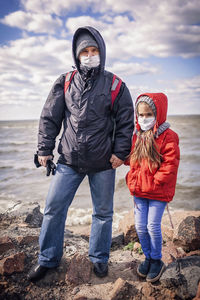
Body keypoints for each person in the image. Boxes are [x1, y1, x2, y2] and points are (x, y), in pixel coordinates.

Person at [27, 26, 134, 281]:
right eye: (84, 51)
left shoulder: (116, 84)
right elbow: (49, 117)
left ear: (102, 52)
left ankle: (99, 259)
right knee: (53, 208)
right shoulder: (64, 82)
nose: (89, 55)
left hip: (103, 162)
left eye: (93, 50)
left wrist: (120, 153)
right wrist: (44, 149)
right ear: (77, 55)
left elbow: (126, 122)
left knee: (103, 213)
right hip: (69, 161)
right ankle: (48, 260)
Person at [125, 93, 180, 283]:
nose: (144, 118)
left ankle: (157, 260)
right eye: (141, 115)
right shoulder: (137, 136)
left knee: (152, 226)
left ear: (158, 114)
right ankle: (148, 257)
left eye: (149, 114)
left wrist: (156, 180)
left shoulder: (169, 136)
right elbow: (131, 159)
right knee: (140, 226)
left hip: (157, 191)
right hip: (139, 191)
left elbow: (171, 164)